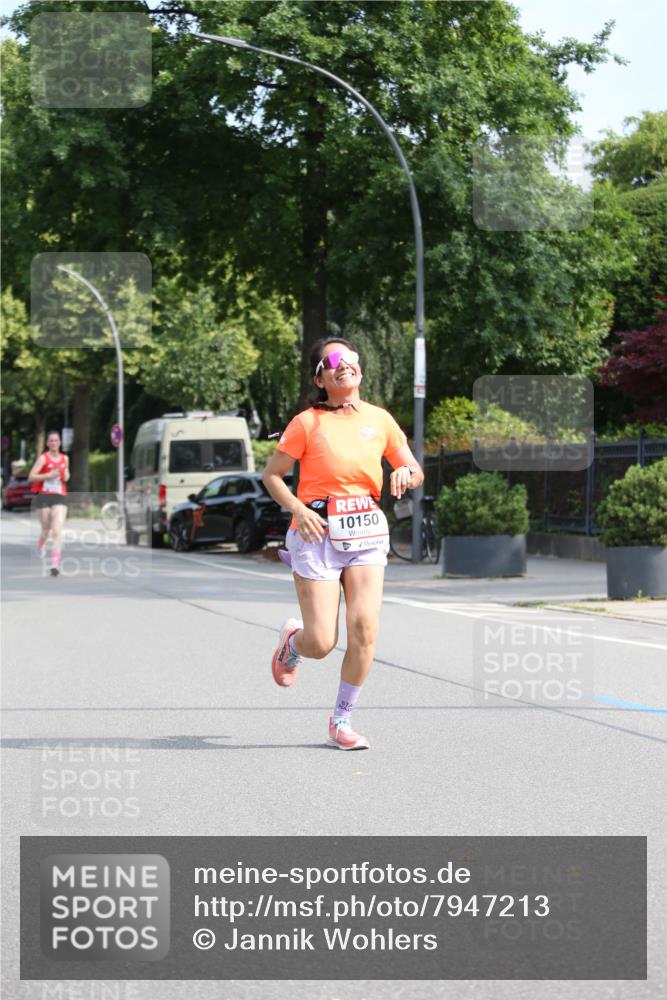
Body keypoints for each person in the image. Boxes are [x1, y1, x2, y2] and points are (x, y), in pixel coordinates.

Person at [262, 338, 424, 750]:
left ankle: (341, 720)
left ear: (360, 370)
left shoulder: (380, 419)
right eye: (331, 361)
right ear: (320, 377)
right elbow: (273, 475)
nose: (342, 365)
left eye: (348, 359)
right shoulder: (307, 423)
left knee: (365, 629)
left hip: (367, 529)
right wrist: (298, 510)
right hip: (317, 531)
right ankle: (293, 644)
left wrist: (405, 474)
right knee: (321, 642)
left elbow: (412, 466)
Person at [28, 431, 70, 577]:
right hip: (44, 496)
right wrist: (48, 475)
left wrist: (65, 475)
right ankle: (41, 544)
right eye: (51, 441)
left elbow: (67, 475)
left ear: (60, 443)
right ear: (47, 443)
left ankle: (54, 564)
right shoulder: (43, 458)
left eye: (56, 440)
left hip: (59, 496)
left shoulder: (65, 458)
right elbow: (31, 476)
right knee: (46, 530)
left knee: (57, 530)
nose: (53, 443)